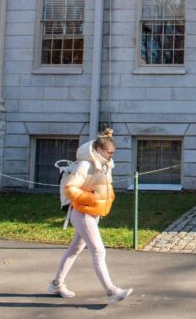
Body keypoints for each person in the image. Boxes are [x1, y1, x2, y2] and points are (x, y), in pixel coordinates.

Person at [48, 129, 133, 304]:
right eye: (109, 152)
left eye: (113, 153)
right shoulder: (85, 165)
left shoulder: (103, 164)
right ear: (99, 150)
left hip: (91, 213)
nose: (111, 156)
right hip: (83, 213)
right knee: (98, 250)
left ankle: (56, 283)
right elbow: (70, 188)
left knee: (74, 249)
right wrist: (92, 199)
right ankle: (111, 291)